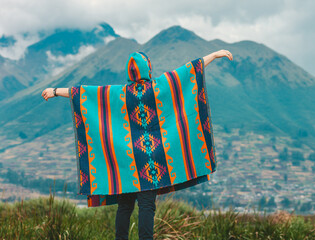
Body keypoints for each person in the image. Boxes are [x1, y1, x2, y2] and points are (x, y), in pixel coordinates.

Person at [41, 49, 233, 240]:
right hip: (152, 162)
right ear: (147, 69)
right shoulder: (159, 87)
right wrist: (214, 55)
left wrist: (55, 91)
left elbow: (84, 94)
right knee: (147, 206)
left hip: (126, 162)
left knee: (124, 206)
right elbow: (188, 72)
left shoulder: (117, 94)